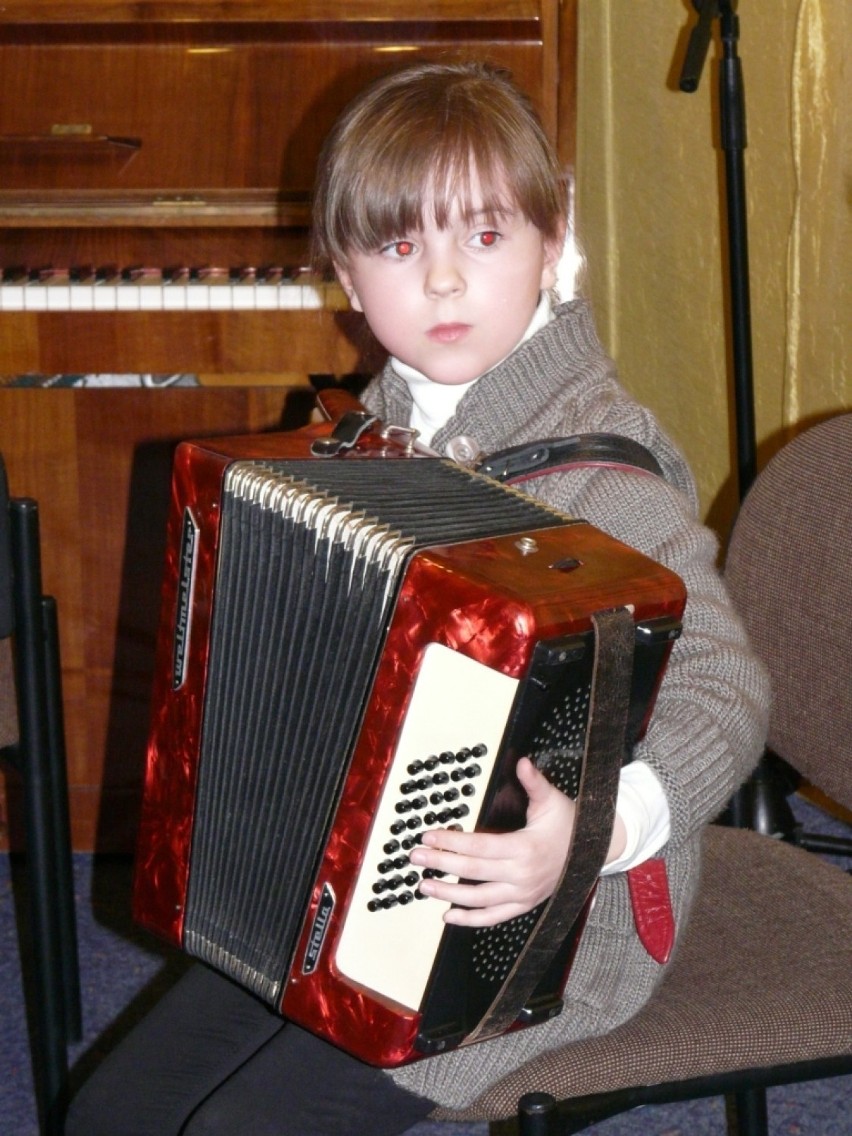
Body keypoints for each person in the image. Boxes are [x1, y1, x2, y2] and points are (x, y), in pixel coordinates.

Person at [65, 61, 769, 1135]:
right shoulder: (365, 435)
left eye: (483, 237)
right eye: (400, 246)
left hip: (547, 921)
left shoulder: (604, 477)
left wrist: (590, 830)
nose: (443, 282)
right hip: (347, 878)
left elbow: (727, 685)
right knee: (114, 1108)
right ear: (344, 272)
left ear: (552, 235)